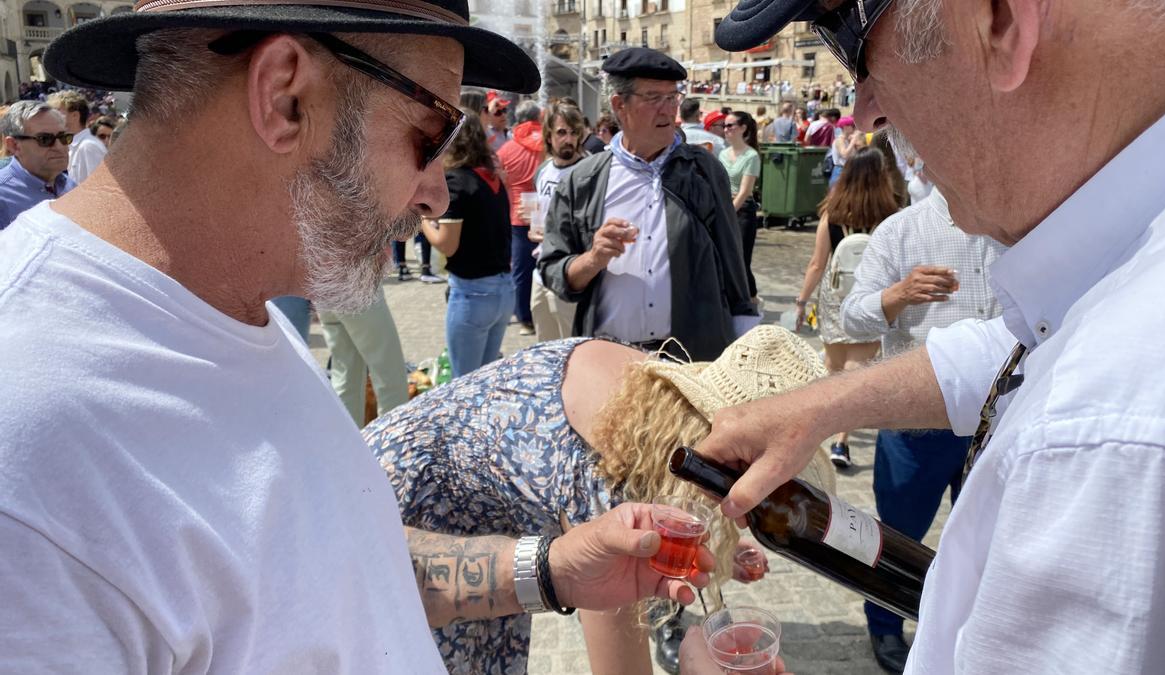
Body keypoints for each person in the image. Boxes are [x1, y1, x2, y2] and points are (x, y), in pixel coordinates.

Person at [0, 2, 712, 669]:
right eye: (429, 135)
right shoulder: (31, 440)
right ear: (286, 97)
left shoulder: (239, 311)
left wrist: (551, 567)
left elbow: (321, 560)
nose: (436, 189)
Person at [701, 1, 1165, 672]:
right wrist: (817, 405)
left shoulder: (1100, 433)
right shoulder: (1157, 245)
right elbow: (1019, 343)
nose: (866, 108)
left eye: (856, 46)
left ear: (997, 19)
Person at [365, 326, 833, 675]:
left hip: (422, 486)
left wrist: (726, 553)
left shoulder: (650, 406)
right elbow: (618, 667)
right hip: (404, 519)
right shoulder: (613, 485)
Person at [839, 185, 1006, 672]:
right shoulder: (901, 230)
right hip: (917, 427)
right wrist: (897, 296)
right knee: (896, 535)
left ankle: (969, 631)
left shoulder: (1009, 222)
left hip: (993, 421)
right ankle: (885, 626)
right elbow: (852, 319)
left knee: (985, 538)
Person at [539, 47, 759, 362]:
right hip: (612, 359)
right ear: (619, 105)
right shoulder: (582, 181)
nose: (668, 110)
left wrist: (744, 337)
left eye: (673, 98)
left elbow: (732, 259)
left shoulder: (702, 170)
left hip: (691, 360)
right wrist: (594, 258)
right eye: (654, 98)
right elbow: (553, 270)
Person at [794, 148, 898, 468]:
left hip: (835, 295)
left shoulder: (832, 213)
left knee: (833, 363)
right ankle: (841, 440)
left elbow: (817, 263)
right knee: (858, 365)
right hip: (871, 295)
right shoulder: (892, 216)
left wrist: (801, 301)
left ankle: (817, 430)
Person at [422, 113, 516, 378]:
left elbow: (446, 245)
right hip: (503, 291)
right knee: (483, 384)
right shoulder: (493, 179)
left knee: (463, 385)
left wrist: (422, 223)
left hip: (473, 294)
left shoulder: (457, 181)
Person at [529, 101, 586, 341]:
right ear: (549, 136)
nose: (569, 139)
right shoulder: (543, 170)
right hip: (541, 273)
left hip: (568, 274)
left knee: (572, 348)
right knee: (544, 348)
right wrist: (534, 228)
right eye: (562, 132)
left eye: (574, 133)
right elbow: (538, 213)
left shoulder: (587, 172)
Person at [317, 290, 411, 427]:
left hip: (325, 289)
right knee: (390, 378)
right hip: (355, 285)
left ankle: (347, 442)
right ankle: (394, 441)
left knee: (346, 376)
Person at [497, 100, 544, 336]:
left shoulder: (507, 148)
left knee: (521, 269)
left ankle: (524, 317)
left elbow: (499, 180)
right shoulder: (548, 143)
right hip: (545, 211)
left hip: (518, 213)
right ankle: (544, 314)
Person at [0, 101, 75, 229]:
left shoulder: (70, 186)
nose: (59, 147)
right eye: (45, 139)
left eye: (63, 137)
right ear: (14, 145)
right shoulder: (3, 195)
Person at [719, 110, 762, 300]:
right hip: (726, 206)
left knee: (742, 259)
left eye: (730, 126)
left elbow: (745, 191)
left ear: (743, 128)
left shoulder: (751, 156)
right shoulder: (723, 154)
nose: (726, 129)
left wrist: (728, 213)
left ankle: (750, 298)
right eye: (724, 126)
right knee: (724, 257)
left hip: (743, 210)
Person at [47, 90, 106, 184]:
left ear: (75, 115)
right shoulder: (70, 145)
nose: (52, 118)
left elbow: (100, 187)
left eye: (58, 113)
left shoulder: (89, 146)